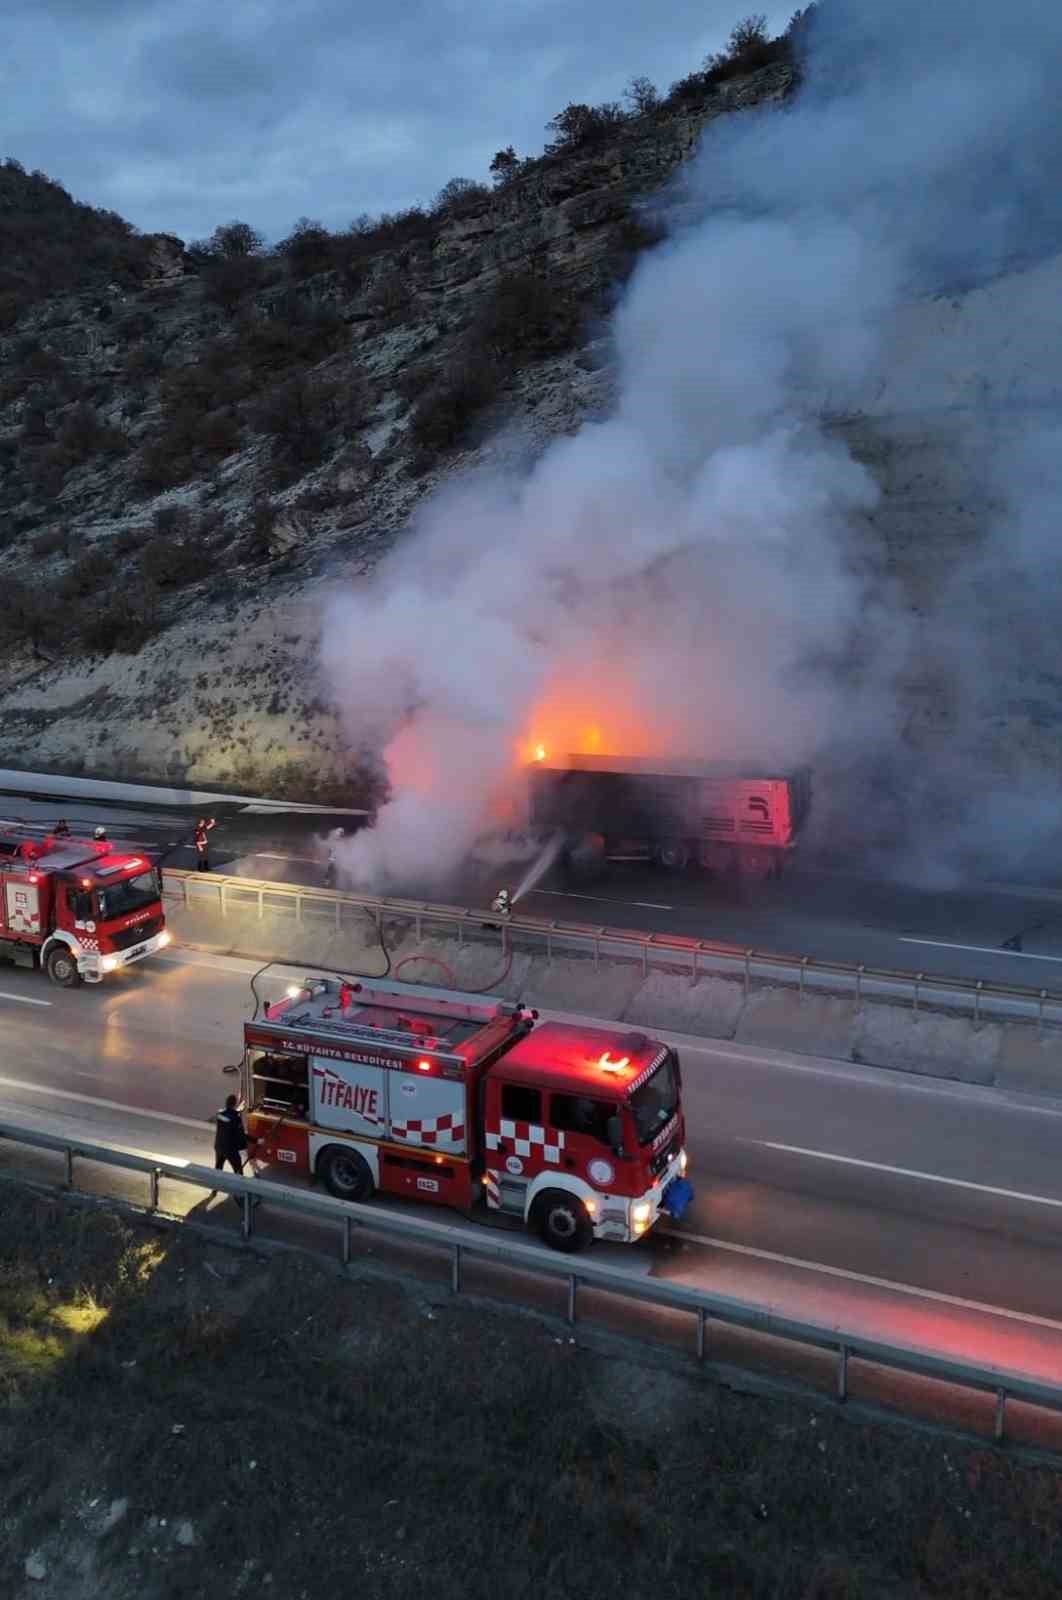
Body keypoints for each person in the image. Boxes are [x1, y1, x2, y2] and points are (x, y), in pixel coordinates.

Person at [214, 1093, 250, 1177]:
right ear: (234, 1104)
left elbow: (228, 1118)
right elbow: (242, 1134)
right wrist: (257, 1140)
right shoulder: (236, 1119)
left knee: (218, 1168)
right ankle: (240, 1187)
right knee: (238, 1172)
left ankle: (214, 1187)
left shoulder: (219, 1114)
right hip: (230, 1150)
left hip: (219, 1146)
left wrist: (237, 1110)